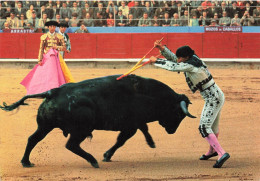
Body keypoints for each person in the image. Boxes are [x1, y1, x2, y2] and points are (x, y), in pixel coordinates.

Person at [149, 41, 230, 168]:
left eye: (181, 57)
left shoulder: (190, 66)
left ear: (186, 58)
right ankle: (212, 151)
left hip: (212, 99)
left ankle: (221, 153)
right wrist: (163, 49)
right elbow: (176, 60)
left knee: (204, 127)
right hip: (218, 95)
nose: (179, 59)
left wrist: (156, 61)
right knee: (212, 127)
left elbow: (174, 66)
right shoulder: (193, 58)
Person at [20, 21, 74, 95]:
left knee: (56, 73)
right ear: (48, 27)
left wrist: (57, 47)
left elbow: (64, 48)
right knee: (46, 73)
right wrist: (40, 59)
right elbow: (41, 49)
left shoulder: (59, 36)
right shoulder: (44, 37)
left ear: (55, 27)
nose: (52, 28)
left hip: (56, 57)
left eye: (54, 26)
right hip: (47, 57)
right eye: (51, 26)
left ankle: (56, 88)